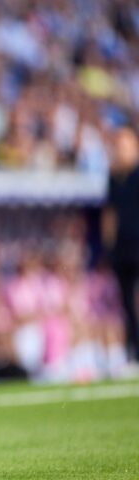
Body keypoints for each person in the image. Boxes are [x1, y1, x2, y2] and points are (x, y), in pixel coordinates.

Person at [103, 126, 139, 363]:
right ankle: (134, 350)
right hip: (123, 250)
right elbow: (110, 214)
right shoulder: (114, 177)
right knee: (126, 304)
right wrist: (108, 247)